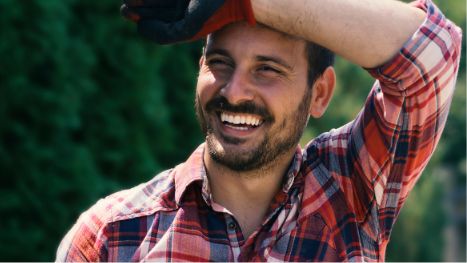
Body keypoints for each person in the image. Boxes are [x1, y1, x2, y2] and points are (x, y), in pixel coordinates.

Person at [56, 0, 461, 261]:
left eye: (267, 70)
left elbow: (433, 52)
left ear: (320, 94)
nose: (234, 91)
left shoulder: (350, 190)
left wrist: (247, 2)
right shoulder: (111, 234)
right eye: (220, 63)